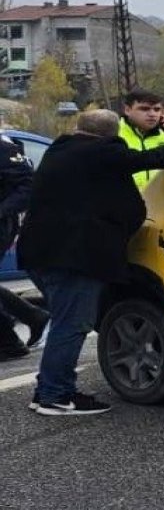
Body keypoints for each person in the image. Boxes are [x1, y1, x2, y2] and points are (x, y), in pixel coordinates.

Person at [18, 110, 164, 415]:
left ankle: (47, 390)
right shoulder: (104, 151)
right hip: (75, 258)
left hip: (41, 254)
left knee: (65, 323)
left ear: (78, 128)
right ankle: (56, 396)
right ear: (112, 135)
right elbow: (151, 160)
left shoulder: (61, 149)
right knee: (71, 326)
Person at [0, 135, 49, 359]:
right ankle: (29, 317)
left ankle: (10, 340)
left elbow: (27, 186)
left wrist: (3, 210)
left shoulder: (4, 147)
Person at [118, 89, 164, 189]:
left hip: (160, 200)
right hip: (124, 200)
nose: (152, 114)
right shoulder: (113, 133)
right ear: (127, 110)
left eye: (157, 109)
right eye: (144, 109)